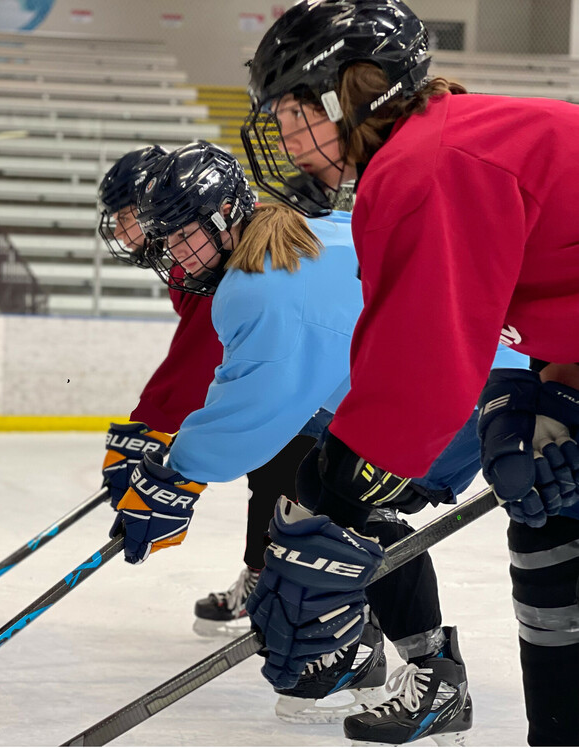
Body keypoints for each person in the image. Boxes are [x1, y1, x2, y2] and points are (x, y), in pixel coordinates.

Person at [241, 1, 579, 745]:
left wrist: (335, 510)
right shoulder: (448, 144)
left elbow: (421, 369)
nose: (287, 139)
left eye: (295, 114)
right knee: (551, 524)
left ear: (349, 92)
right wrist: (547, 390)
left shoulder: (428, 164)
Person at [109, 140, 527, 730]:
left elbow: (254, 410)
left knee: (340, 499)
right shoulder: (301, 235)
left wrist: (177, 475)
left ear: (227, 217)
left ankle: (419, 671)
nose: (177, 255)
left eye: (186, 236)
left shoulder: (257, 284)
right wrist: (180, 463)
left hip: (460, 393)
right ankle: (397, 660)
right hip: (463, 373)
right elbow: (276, 387)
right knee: (326, 485)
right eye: (170, 241)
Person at [95, 146, 314, 654]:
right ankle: (268, 575)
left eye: (128, 216)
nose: (124, 229)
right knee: (274, 471)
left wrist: (156, 434)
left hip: (318, 387)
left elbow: (200, 361)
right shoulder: (190, 259)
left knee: (290, 473)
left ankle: (289, 587)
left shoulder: (223, 259)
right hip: (299, 383)